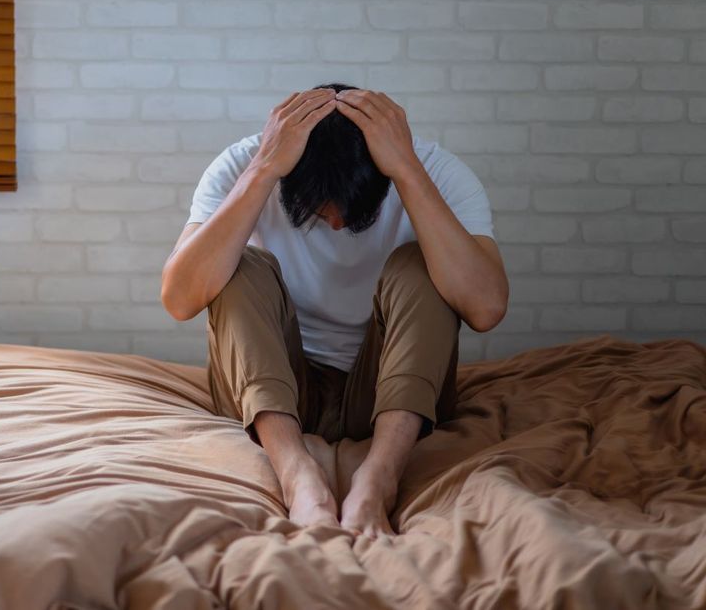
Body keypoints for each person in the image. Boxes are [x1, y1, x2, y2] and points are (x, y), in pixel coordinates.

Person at [160, 83, 510, 540]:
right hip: (277, 392)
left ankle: (378, 477)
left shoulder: (435, 170)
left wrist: (406, 169)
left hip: (388, 389)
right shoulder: (246, 163)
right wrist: (263, 170)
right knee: (239, 266)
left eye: (349, 209)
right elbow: (180, 299)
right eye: (321, 212)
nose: (339, 224)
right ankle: (298, 477)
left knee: (423, 263)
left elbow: (486, 309)